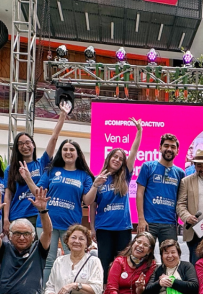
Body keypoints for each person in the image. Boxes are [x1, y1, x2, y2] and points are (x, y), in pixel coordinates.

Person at [85, 119, 141, 277]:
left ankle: (120, 289)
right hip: (104, 228)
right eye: (114, 157)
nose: (117, 160)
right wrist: (92, 228)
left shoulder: (125, 176)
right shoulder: (98, 179)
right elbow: (92, 206)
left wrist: (139, 131)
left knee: (122, 264)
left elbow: (134, 151)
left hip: (123, 228)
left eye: (121, 159)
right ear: (109, 158)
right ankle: (104, 289)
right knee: (104, 262)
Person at [33, 139, 94, 281]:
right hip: (47, 222)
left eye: (72, 149)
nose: (68, 152)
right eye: (65, 149)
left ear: (78, 154)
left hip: (71, 225)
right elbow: (38, 192)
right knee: (48, 261)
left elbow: (87, 201)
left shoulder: (84, 175)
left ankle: (70, 291)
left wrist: (95, 185)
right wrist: (27, 179)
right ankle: (46, 292)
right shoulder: (51, 171)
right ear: (60, 152)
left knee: (73, 259)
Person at [4, 112, 64, 236]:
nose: (25, 146)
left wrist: (63, 115)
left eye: (28, 142)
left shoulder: (42, 163)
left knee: (39, 247)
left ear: (33, 145)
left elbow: (54, 138)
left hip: (38, 215)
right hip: (17, 215)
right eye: (20, 144)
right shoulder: (11, 169)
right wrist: (5, 218)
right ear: (16, 148)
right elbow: (8, 195)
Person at [44, 225, 105, 294]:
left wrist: (74, 286)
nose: (77, 241)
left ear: (87, 243)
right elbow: (50, 286)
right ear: (67, 241)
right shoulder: (59, 261)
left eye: (81, 239)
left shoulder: (94, 261)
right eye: (73, 237)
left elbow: (97, 290)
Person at [136, 133, 184, 244]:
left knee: (169, 253)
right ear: (160, 148)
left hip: (169, 224)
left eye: (173, 147)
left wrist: (176, 221)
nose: (169, 149)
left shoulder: (180, 173)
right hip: (148, 222)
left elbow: (180, 200)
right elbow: (139, 194)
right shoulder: (148, 167)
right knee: (144, 253)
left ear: (177, 151)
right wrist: (141, 219)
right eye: (166, 146)